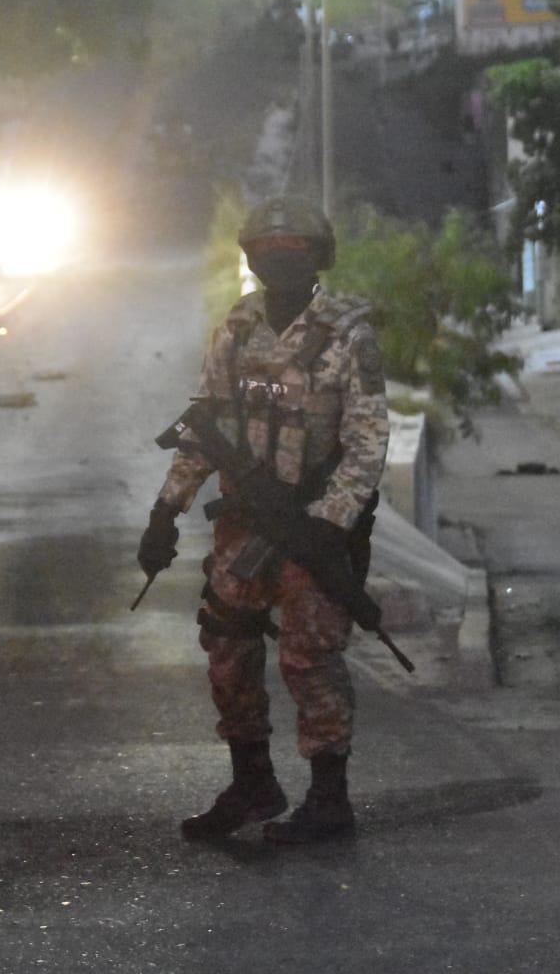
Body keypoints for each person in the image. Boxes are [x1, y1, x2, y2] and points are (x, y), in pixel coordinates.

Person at [138, 195, 389, 844]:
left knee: (309, 660)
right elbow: (206, 427)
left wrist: (328, 525)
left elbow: (366, 445)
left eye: (295, 252)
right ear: (250, 258)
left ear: (319, 259)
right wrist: (167, 508)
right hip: (244, 525)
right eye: (267, 252)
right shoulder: (238, 330)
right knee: (225, 646)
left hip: (312, 530)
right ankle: (252, 783)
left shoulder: (347, 336)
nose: (280, 262)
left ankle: (330, 800)